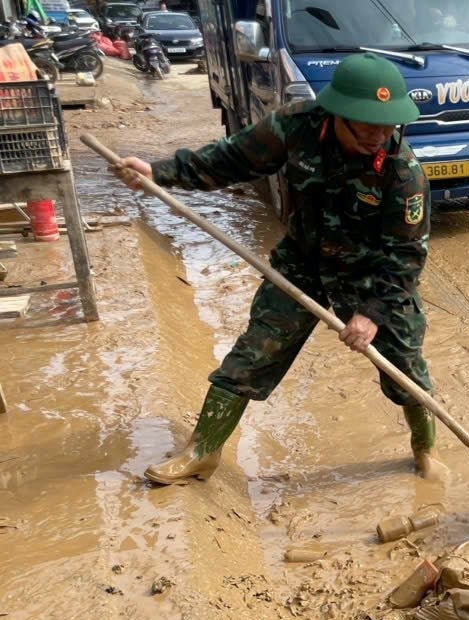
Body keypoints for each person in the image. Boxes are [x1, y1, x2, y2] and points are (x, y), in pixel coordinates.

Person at [114, 53, 438, 484]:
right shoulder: (296, 125)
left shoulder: (403, 173)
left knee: (405, 370)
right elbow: (231, 159)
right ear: (338, 114)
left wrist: (371, 314)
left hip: (372, 279)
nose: (380, 135)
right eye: (368, 125)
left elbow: (406, 256)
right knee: (253, 353)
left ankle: (425, 451)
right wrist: (160, 172)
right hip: (303, 264)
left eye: (388, 124)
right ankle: (202, 451)